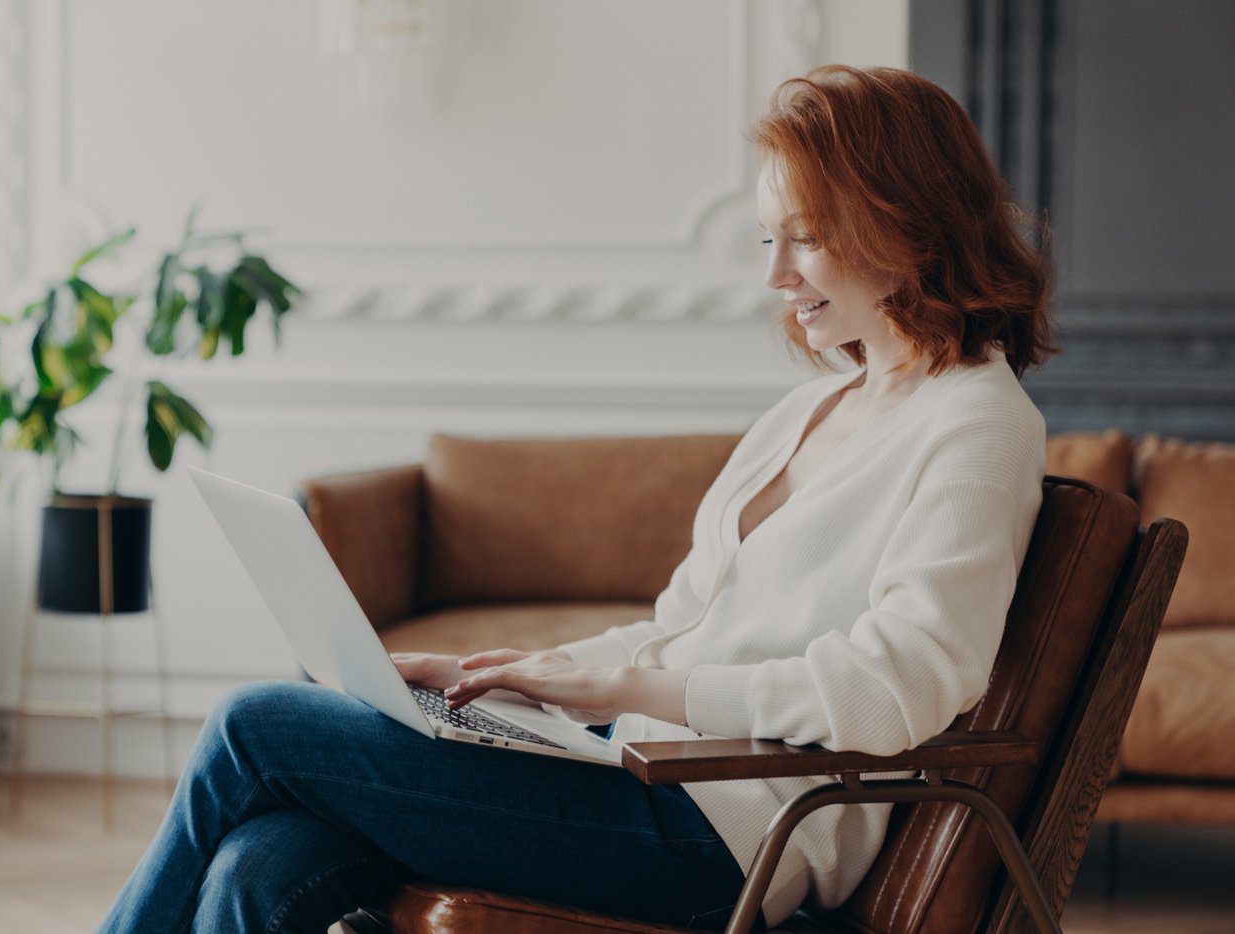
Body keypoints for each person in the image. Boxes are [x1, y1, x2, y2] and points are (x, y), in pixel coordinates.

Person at [98, 64, 1055, 933]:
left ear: (903, 219)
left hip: (727, 834)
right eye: (770, 239)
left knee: (253, 725)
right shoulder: (812, 408)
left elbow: (899, 685)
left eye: (804, 239)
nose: (773, 275)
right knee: (258, 866)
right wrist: (518, 673)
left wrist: (626, 691)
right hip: (632, 773)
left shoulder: (977, 422)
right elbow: (679, 630)